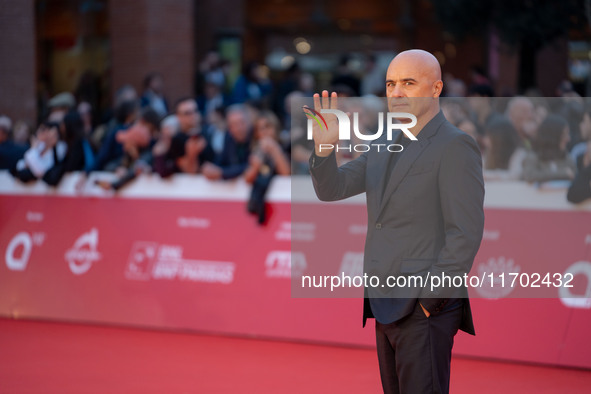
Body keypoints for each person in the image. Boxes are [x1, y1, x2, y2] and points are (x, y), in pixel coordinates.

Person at [308, 49, 484, 394]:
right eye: (391, 84)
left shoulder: (455, 145)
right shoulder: (383, 142)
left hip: (423, 307)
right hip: (384, 301)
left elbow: (464, 232)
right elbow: (332, 188)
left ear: (435, 88)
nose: (397, 92)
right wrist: (324, 151)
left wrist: (428, 302)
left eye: (408, 83)